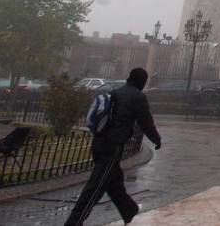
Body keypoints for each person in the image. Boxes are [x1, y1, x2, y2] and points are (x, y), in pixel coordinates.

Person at [64, 67, 162, 226]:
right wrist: (156, 139)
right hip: (112, 146)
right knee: (96, 186)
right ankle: (74, 221)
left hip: (98, 142)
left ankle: (129, 209)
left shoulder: (116, 92)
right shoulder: (138, 97)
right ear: (142, 81)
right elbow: (146, 122)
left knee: (114, 181)